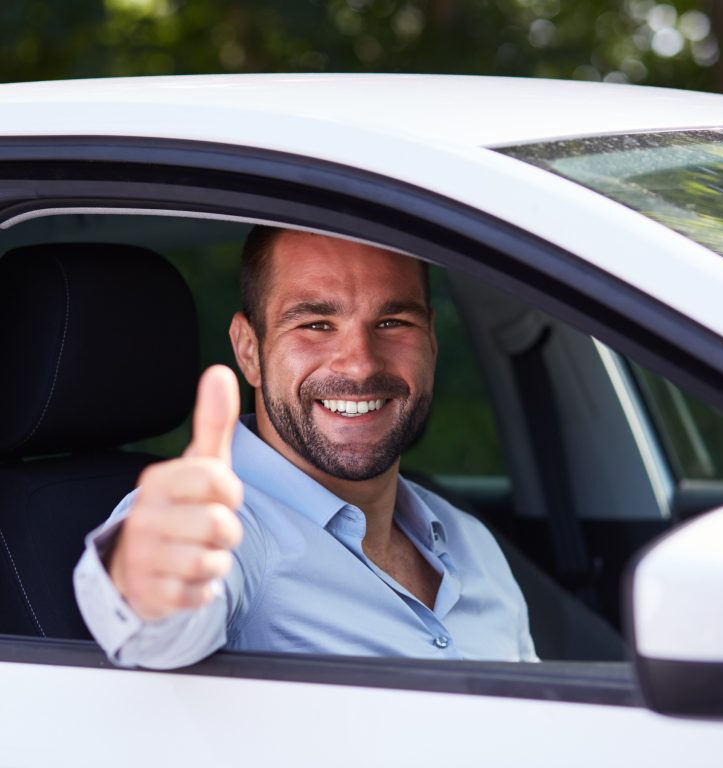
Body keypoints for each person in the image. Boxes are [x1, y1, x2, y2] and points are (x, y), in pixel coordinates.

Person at [74, 227, 537, 668]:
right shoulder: (228, 529)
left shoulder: (469, 541)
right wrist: (144, 580)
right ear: (249, 349)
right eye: (316, 324)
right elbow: (158, 624)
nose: (359, 364)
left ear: (431, 340)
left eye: (393, 322)